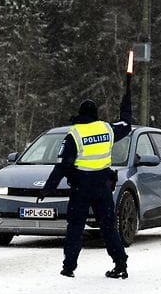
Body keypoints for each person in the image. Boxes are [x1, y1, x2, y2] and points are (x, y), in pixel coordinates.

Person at [38, 88, 134, 279]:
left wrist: (48, 188)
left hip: (81, 188)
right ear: (96, 114)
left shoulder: (74, 135)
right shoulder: (107, 129)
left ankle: (69, 267)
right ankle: (120, 263)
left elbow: (62, 166)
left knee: (75, 227)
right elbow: (126, 125)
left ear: (81, 114)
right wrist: (126, 106)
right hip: (103, 187)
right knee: (108, 227)